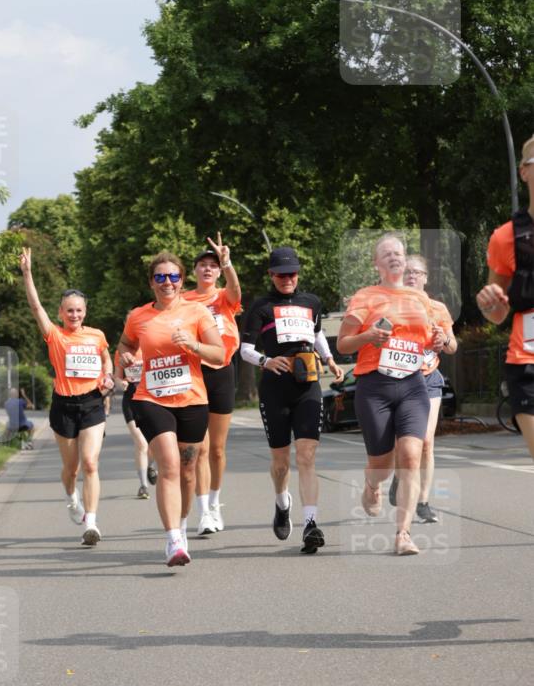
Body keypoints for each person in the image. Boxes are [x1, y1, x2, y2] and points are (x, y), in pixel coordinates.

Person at [337, 234, 445, 556]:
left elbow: (430, 342)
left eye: (398, 252)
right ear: (377, 263)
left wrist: (438, 341)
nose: (395, 257)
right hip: (375, 387)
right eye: (387, 254)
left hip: (413, 384)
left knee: (411, 455)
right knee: (382, 466)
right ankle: (372, 485)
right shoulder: (365, 297)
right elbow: (343, 344)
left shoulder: (419, 300)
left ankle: (403, 534)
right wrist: (368, 336)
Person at [116, 251, 223, 566]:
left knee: (188, 473)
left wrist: (193, 344)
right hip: (152, 398)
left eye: (173, 276)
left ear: (181, 280)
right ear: (151, 282)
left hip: (192, 399)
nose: (167, 282)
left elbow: (218, 355)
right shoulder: (138, 316)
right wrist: (123, 357)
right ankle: (173, 538)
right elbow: (125, 344)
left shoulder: (197, 312)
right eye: (160, 277)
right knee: (169, 466)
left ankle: (182, 523)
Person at [240, 246, 344, 554]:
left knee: (307, 455)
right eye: (282, 275)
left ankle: (311, 524)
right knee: (281, 462)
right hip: (275, 388)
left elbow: (318, 333)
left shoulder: (311, 302)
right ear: (271, 275)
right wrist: (266, 361)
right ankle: (282, 501)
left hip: (307, 384)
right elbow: (244, 349)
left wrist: (328, 358)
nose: (288, 279)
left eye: (292, 274)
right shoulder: (260, 307)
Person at [20, 247, 114, 545]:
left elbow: (106, 358)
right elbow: (36, 308)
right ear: (61, 313)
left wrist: (109, 376)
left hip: (92, 404)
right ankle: (71, 496)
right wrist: (27, 274)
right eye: (69, 310)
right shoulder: (55, 335)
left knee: (91, 463)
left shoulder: (96, 335)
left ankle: (92, 522)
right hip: (63, 405)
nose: (74, 314)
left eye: (79, 310)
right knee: (71, 469)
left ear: (85, 312)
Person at [388, 255, 458, 521]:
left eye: (417, 272)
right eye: (406, 272)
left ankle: (423, 501)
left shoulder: (438, 309)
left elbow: (453, 346)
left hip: (428, 378)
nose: (412, 276)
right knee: (402, 444)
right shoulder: (390, 305)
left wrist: (443, 340)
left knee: (426, 442)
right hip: (399, 378)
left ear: (426, 278)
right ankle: (398, 475)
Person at [477, 135, 534, 460]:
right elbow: (497, 314)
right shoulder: (506, 237)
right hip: (527, 365)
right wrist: (490, 304)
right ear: (524, 171)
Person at [183, 235, 241, 535]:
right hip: (194, 373)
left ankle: (216, 502)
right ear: (194, 271)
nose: (208, 269)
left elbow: (235, 290)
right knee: (200, 448)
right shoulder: (184, 300)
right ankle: (204, 512)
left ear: (218, 272)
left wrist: (227, 261)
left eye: (213, 266)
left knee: (217, 449)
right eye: (203, 265)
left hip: (221, 371)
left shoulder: (223, 298)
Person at [114, 348, 158, 499]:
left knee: (152, 444)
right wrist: (121, 383)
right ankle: (143, 486)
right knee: (141, 444)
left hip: (151, 399)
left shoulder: (152, 344)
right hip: (131, 401)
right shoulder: (122, 352)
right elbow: (117, 377)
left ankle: (150, 465)